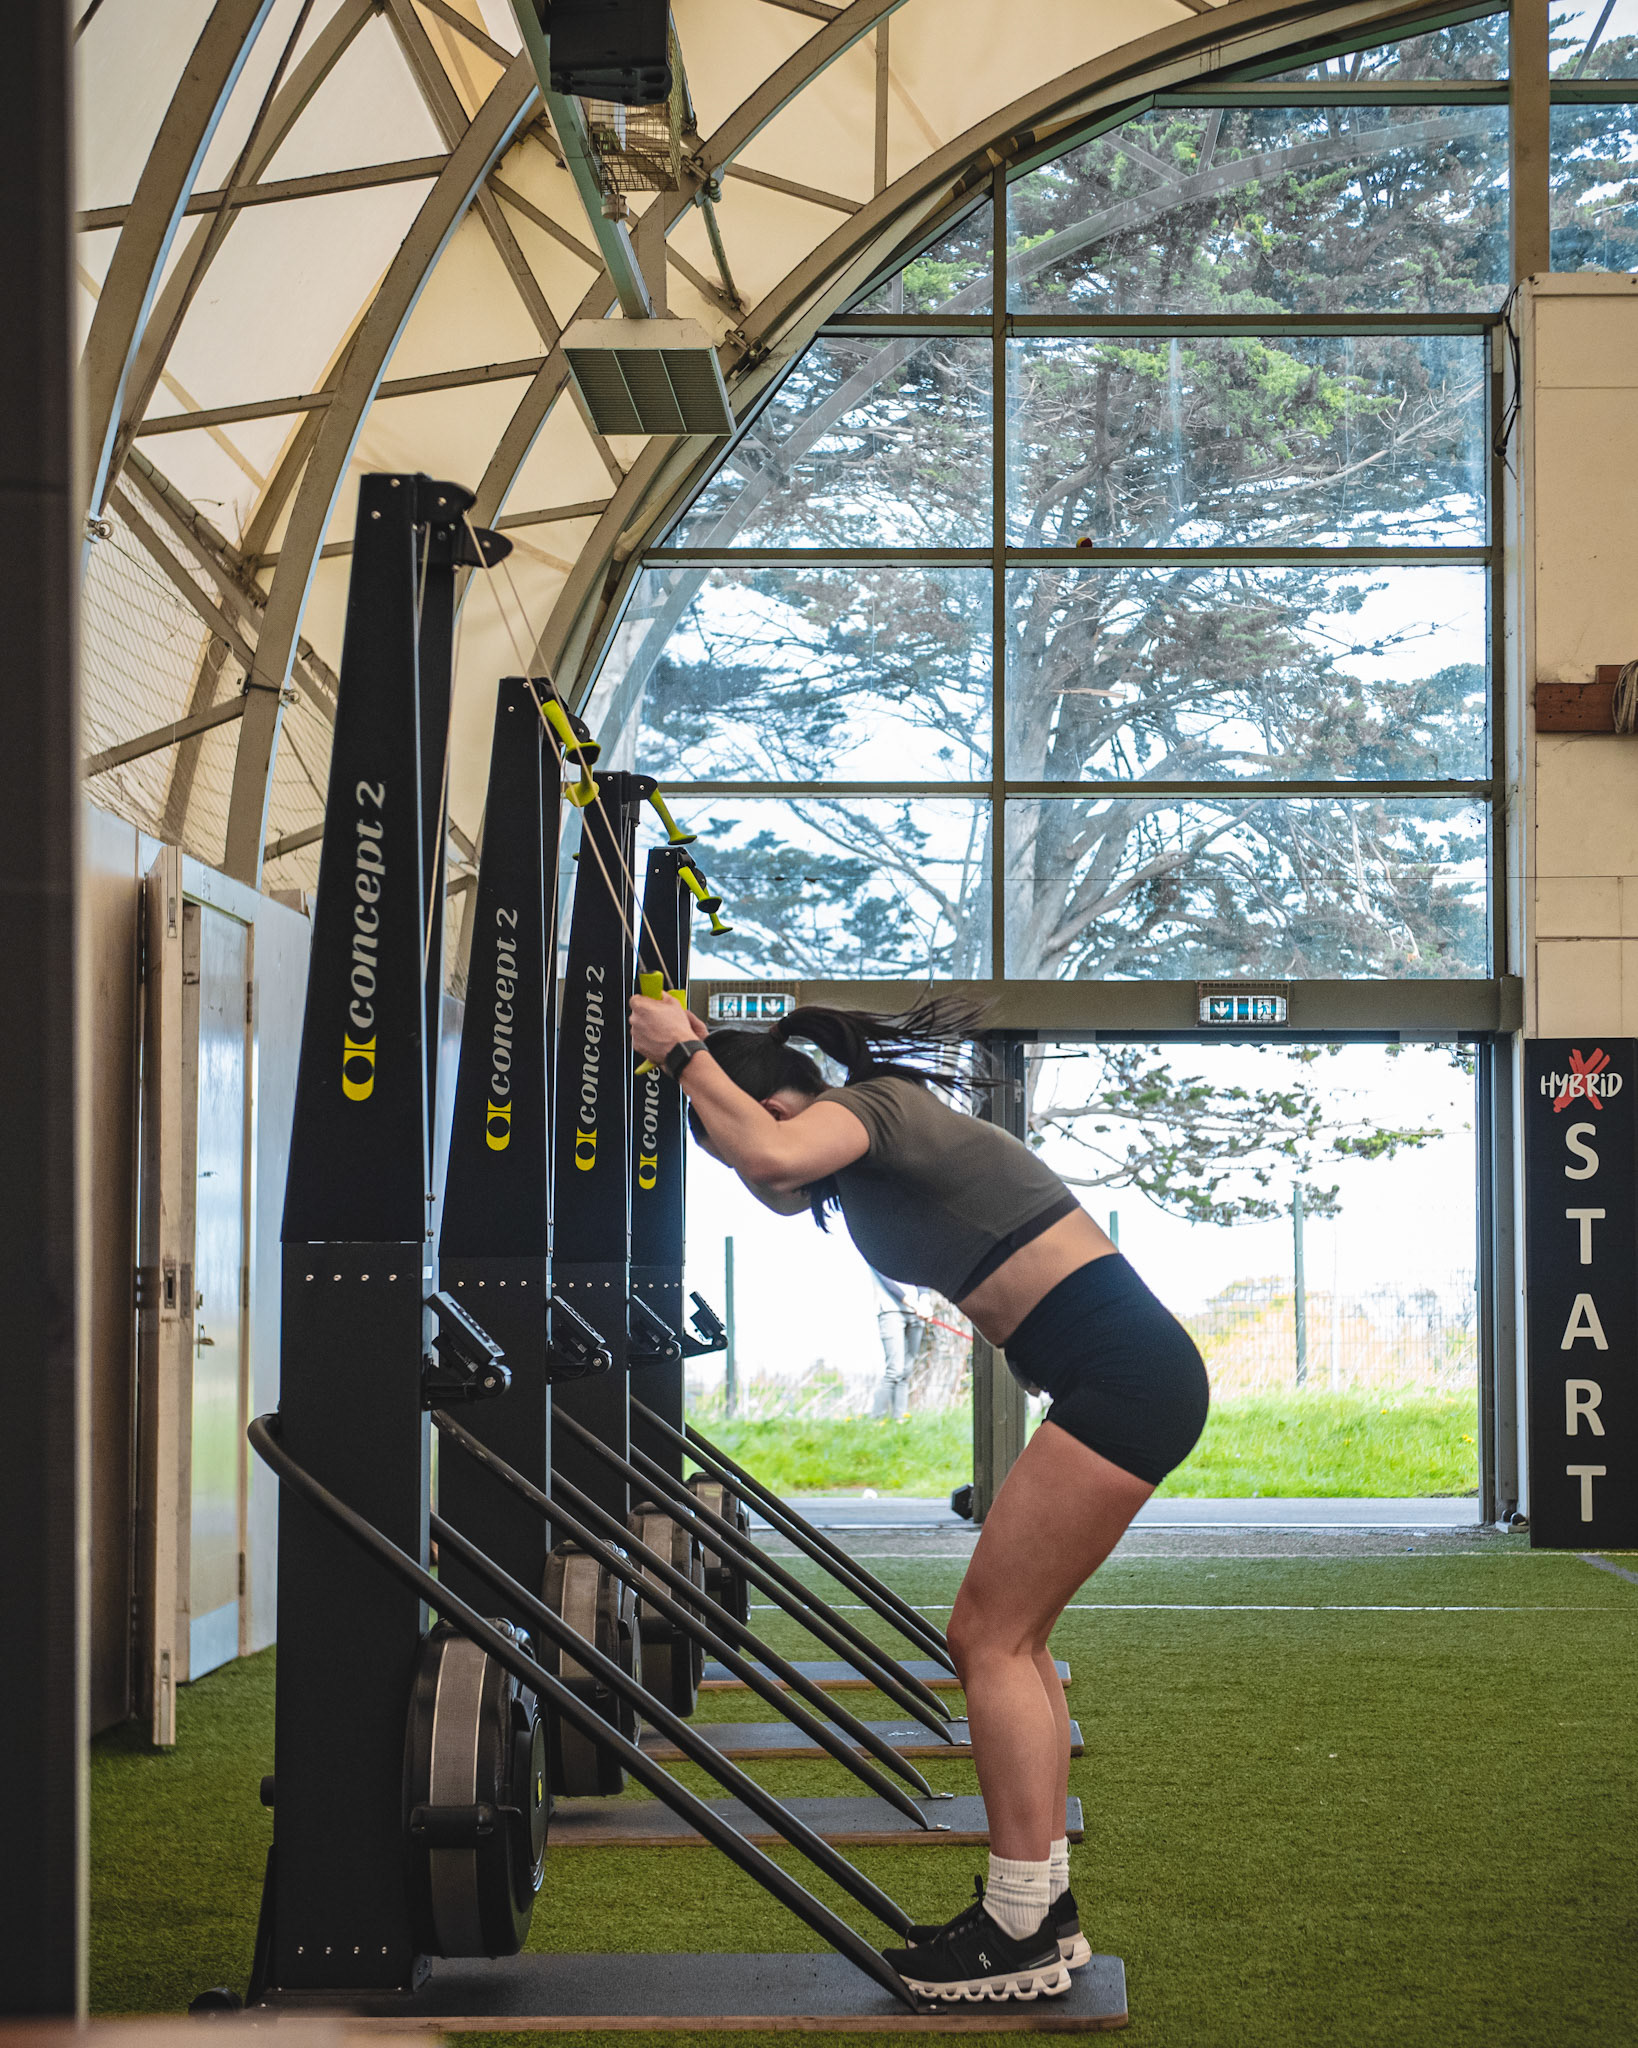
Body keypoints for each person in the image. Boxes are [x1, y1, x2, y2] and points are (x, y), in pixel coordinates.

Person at [629, 991, 1209, 2004]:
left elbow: (771, 1153)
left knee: (986, 1636)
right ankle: (1042, 1909)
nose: (747, 1175)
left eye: (735, 1145)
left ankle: (1017, 1927)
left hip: (1125, 1374)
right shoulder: (859, 1166)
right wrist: (713, 1087)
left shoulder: (873, 1108)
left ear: (783, 1103)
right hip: (1110, 1374)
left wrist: (683, 1053)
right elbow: (773, 1155)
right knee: (1015, 1640)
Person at [870, 1267, 925, 1422]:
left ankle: (899, 1419)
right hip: (891, 1312)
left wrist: (924, 1301)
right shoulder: (879, 1253)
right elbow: (887, 1281)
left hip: (917, 1314)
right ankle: (876, 1420)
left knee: (906, 1371)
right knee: (894, 1370)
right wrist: (913, 1303)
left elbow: (922, 1276)